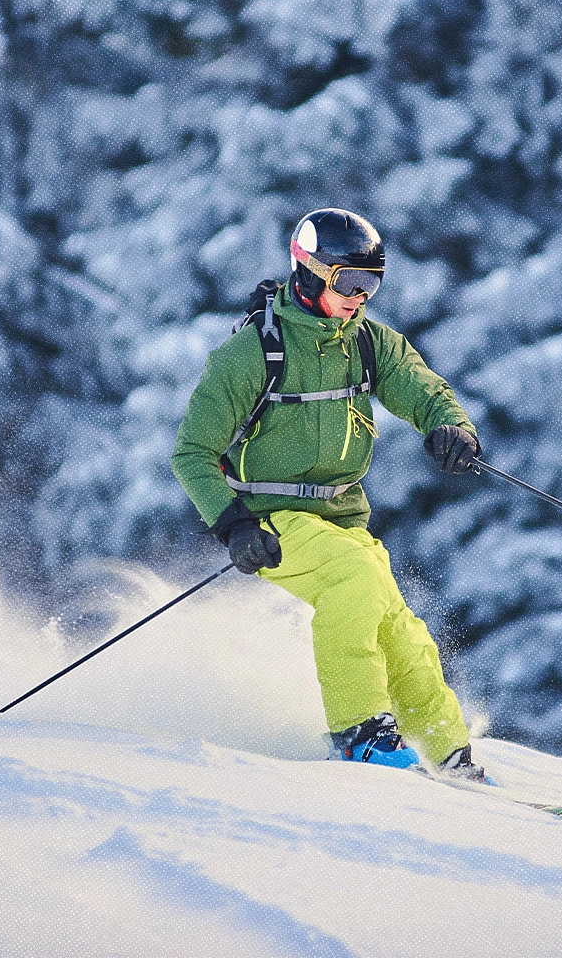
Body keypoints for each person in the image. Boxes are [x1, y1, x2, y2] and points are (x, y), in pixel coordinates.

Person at [171, 208, 486, 780]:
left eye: (372, 285)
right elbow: (191, 452)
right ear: (311, 271)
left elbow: (422, 387)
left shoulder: (366, 344)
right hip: (272, 521)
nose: (360, 297)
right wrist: (233, 525)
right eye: (349, 282)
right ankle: (360, 735)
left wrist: (451, 427)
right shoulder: (252, 353)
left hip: (343, 520)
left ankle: (448, 750)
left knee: (399, 626)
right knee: (354, 581)